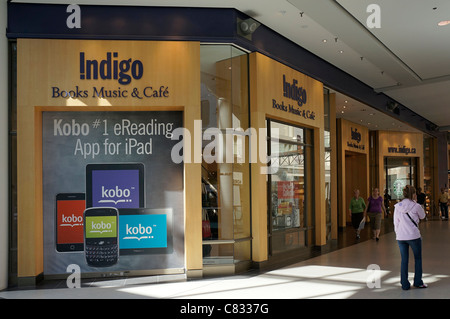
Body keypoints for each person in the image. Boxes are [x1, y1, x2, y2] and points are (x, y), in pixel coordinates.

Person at [394, 185, 427, 290]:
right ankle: (418, 282)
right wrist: (417, 203)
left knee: (404, 260)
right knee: (417, 258)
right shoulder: (416, 206)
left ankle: (404, 284)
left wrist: (398, 233)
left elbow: (396, 222)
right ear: (413, 194)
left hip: (401, 236)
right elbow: (423, 216)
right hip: (414, 236)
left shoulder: (397, 206)